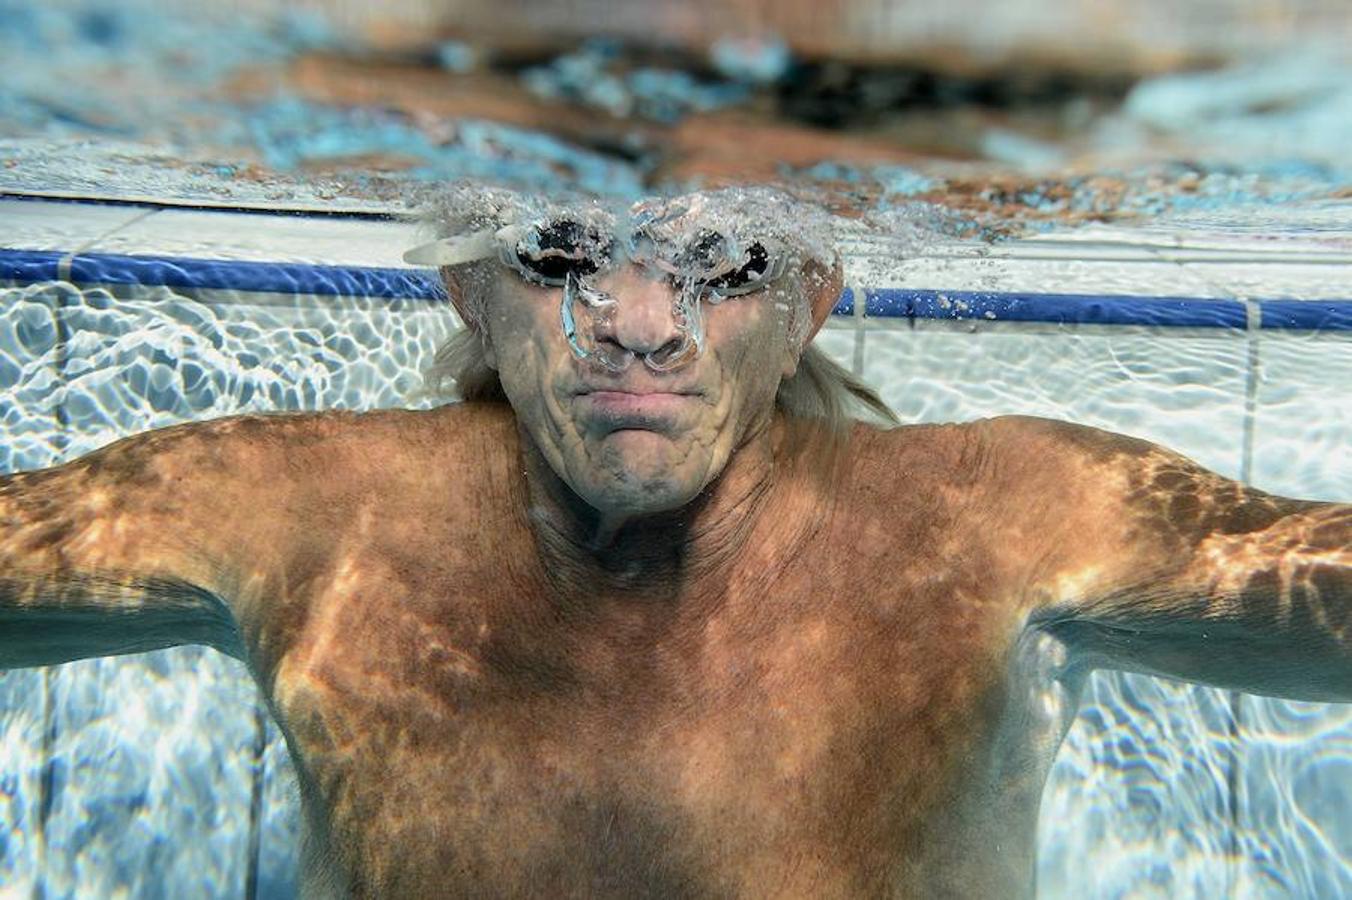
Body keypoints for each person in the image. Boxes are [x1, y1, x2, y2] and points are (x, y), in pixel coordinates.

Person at [1, 185, 1349, 899]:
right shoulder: (300, 505)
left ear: (808, 302)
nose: (641, 320)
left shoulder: (996, 519)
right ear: (473, 290)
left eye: (724, 264)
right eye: (560, 253)